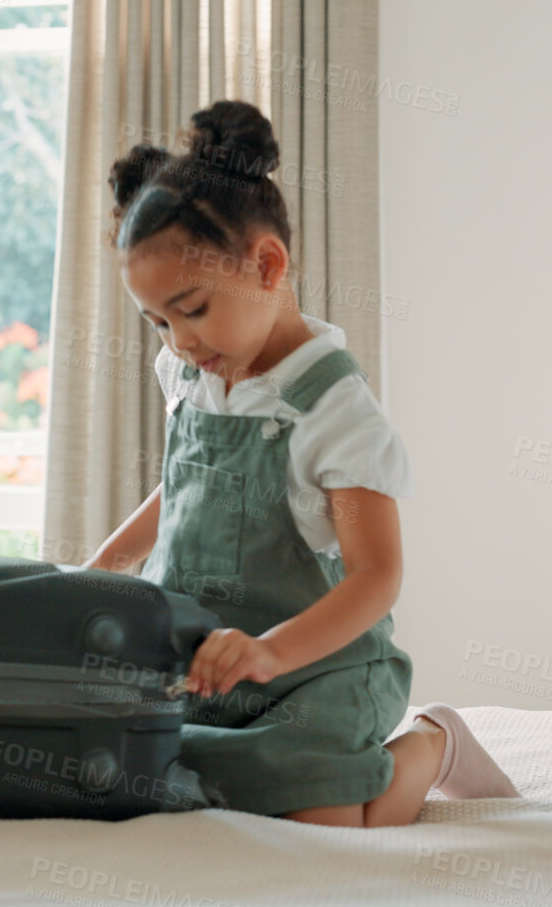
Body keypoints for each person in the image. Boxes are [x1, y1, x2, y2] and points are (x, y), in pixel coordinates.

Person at [84, 100, 518, 827]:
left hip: (317, 666)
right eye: (157, 320)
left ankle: (433, 742)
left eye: (190, 309)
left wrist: (271, 652)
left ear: (266, 264)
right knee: (147, 780)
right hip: (208, 659)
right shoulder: (189, 373)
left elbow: (376, 575)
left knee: (333, 827)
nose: (178, 340)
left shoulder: (333, 412)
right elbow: (187, 484)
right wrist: (104, 564)